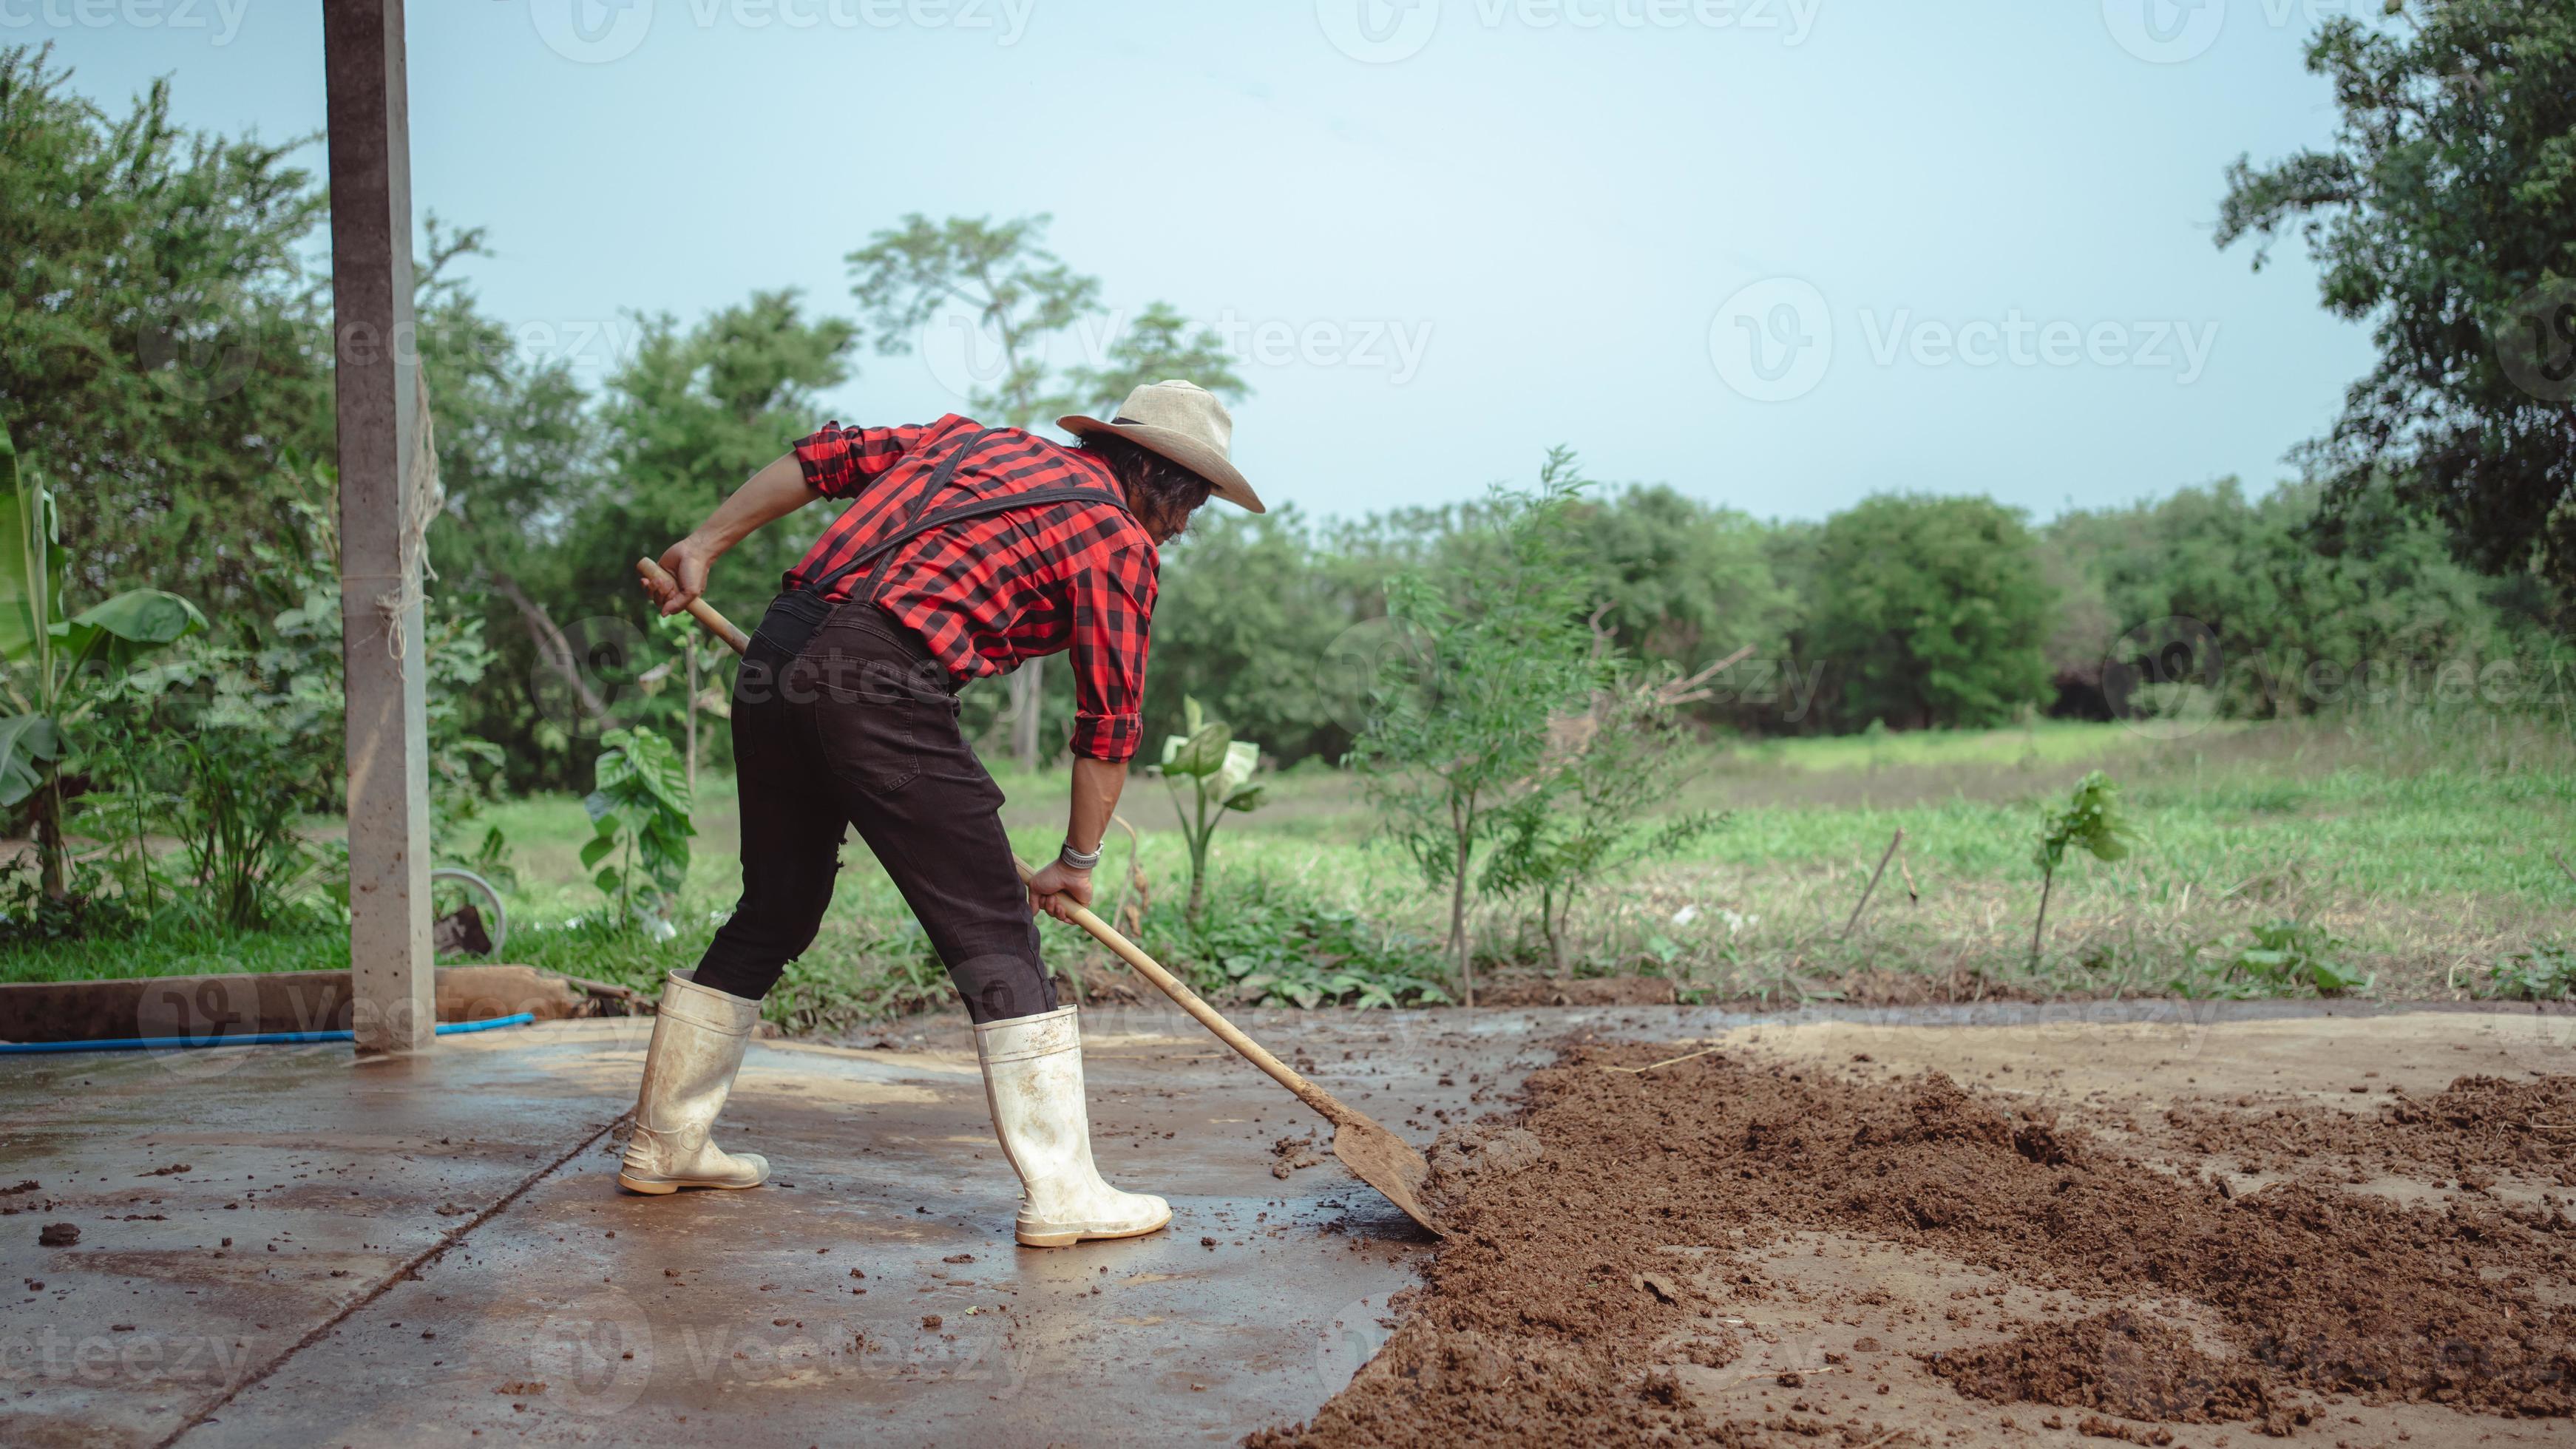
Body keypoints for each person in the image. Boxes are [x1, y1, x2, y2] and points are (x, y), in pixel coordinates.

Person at [617, 380, 1261, 1248]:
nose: (1184, 527)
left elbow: (820, 460)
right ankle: (1065, 1191)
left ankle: (665, 1143)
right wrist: (1078, 858)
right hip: (880, 682)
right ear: (1165, 480)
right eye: (1194, 505)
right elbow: (1108, 724)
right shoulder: (1118, 540)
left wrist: (705, 541)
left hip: (780, 652)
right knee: (994, 927)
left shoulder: (969, 442)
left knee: (776, 905)